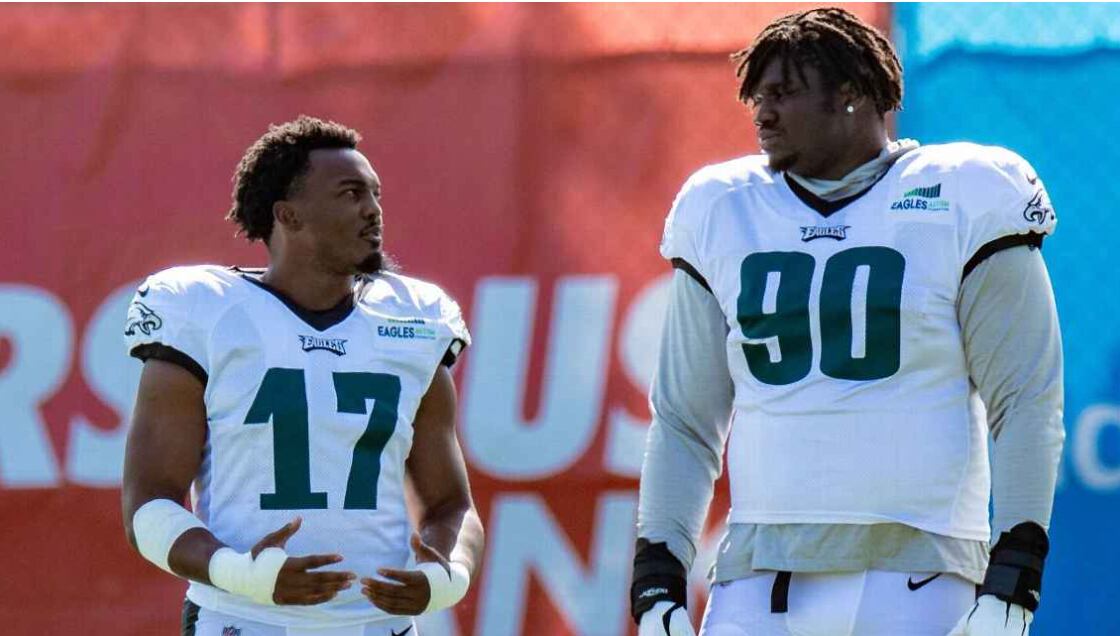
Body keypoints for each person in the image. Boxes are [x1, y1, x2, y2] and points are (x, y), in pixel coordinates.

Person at [630, 8, 1062, 636]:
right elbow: (684, 418)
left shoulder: (963, 192)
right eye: (757, 96)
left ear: (853, 95)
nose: (762, 113)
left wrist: (1015, 574)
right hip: (759, 575)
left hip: (919, 570)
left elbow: (1025, 399)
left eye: (783, 94)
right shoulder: (722, 206)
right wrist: (659, 571)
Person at [121, 116, 484, 636]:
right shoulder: (208, 312)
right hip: (243, 621)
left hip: (378, 627)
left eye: (375, 194)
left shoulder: (414, 319)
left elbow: (452, 504)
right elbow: (148, 503)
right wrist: (239, 572)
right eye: (350, 193)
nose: (373, 210)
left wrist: (448, 575)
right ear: (287, 215)